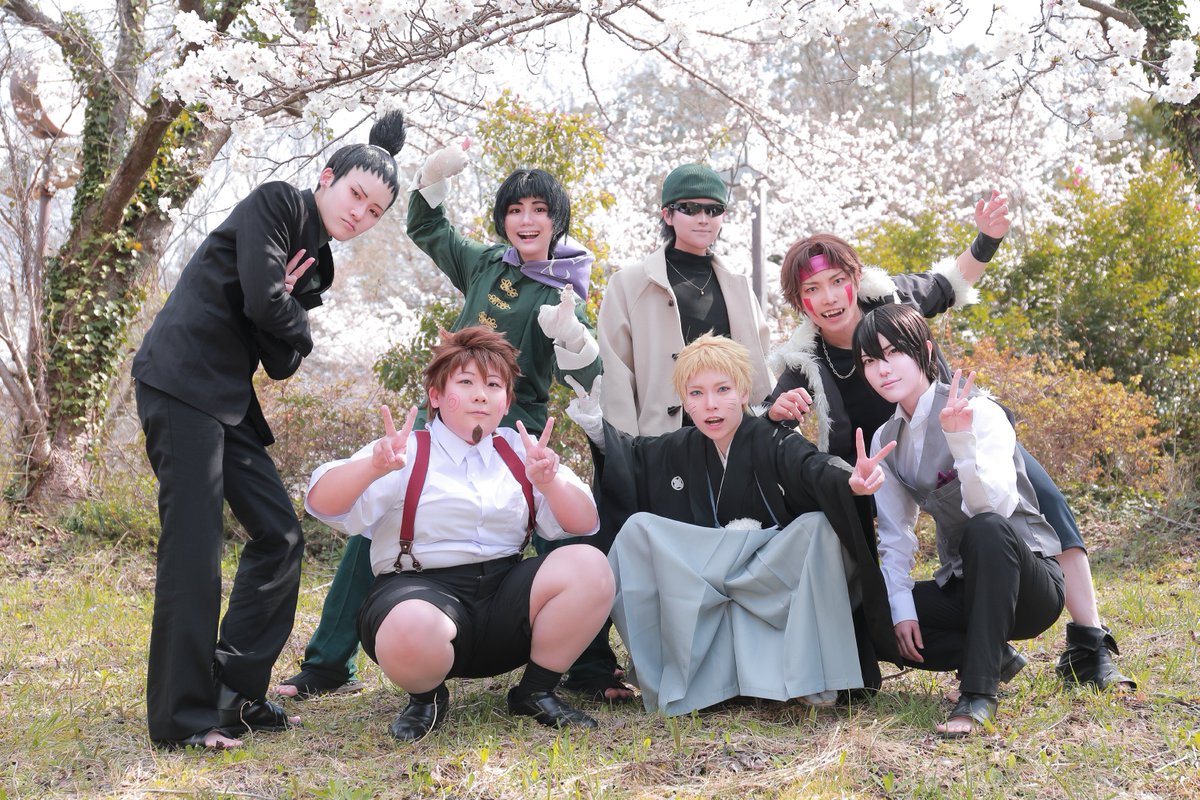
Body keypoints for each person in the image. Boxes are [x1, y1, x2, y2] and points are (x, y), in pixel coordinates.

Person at [277, 142, 603, 700]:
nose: (527, 220)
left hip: (516, 431)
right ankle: (328, 664)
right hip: (446, 423)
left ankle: (587, 668)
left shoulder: (568, 288)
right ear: (502, 219)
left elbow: (590, 376)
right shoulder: (486, 264)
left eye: (539, 210)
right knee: (381, 527)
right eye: (515, 209)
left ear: (558, 220)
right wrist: (432, 177)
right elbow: (429, 229)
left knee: (554, 536)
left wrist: (573, 335)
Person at [766, 203, 1133, 691]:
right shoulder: (804, 358)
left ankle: (1089, 644)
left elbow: (950, 281)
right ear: (799, 302)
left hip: (957, 429)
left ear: (856, 278)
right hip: (876, 464)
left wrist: (987, 238)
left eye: (837, 281)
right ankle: (943, 649)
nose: (829, 297)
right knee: (868, 572)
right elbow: (770, 421)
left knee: (1041, 502)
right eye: (812, 289)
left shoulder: (891, 299)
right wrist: (776, 410)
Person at [131, 110, 407, 750]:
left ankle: (235, 694)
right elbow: (266, 308)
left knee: (281, 535)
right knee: (194, 549)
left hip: (228, 401)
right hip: (181, 381)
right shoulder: (277, 204)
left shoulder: (319, 264)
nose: (359, 214)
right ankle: (183, 719)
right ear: (328, 177)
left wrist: (281, 306)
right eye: (356, 195)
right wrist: (283, 311)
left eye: (374, 212)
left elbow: (282, 361)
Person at [304, 326, 612, 741]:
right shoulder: (406, 451)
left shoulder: (521, 451)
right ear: (435, 396)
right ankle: (426, 698)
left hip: (505, 597)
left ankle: (536, 691)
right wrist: (373, 468)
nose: (481, 395)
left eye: (493, 385)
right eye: (466, 383)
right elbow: (322, 502)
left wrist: (549, 481)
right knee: (411, 624)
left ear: (506, 402)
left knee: (590, 566)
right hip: (418, 589)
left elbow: (583, 522)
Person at [566, 334, 900, 715]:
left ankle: (813, 677)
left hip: (767, 575)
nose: (710, 404)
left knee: (820, 529)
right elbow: (630, 458)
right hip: (709, 577)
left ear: (743, 393)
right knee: (637, 531)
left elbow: (813, 467)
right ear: (685, 401)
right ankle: (678, 678)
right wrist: (594, 424)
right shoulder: (680, 447)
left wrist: (850, 481)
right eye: (696, 393)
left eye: (722, 389)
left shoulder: (772, 439)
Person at [571, 163, 775, 702]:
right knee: (629, 542)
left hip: (726, 439)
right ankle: (609, 667)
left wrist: (763, 423)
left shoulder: (737, 283)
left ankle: (723, 666)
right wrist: (624, 447)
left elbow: (757, 360)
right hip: (657, 441)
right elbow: (616, 367)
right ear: (668, 214)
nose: (703, 218)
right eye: (690, 209)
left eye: (714, 210)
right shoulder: (631, 283)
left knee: (718, 547)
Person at [855, 303, 1066, 736]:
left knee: (985, 528)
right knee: (869, 615)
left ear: (926, 351)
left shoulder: (980, 410)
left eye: (894, 352)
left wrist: (961, 443)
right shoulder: (885, 439)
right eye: (870, 360)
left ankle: (979, 693)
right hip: (965, 585)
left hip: (1028, 584)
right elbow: (896, 535)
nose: (883, 369)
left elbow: (995, 509)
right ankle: (992, 655)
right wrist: (900, 611)